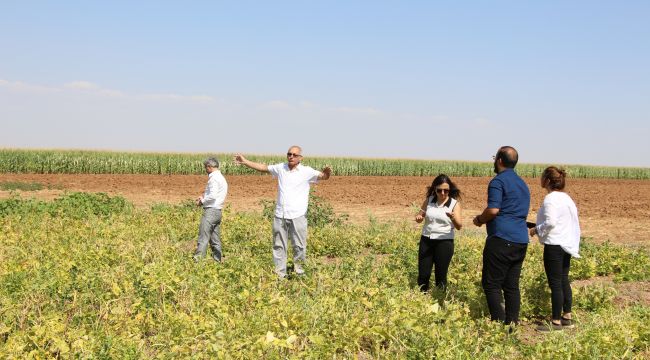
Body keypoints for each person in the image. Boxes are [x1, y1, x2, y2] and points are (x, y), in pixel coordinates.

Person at [233, 146, 331, 278]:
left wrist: (327, 173)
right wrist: (245, 161)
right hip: (280, 215)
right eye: (289, 154)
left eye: (294, 155)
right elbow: (263, 168)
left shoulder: (306, 171)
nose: (291, 156)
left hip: (298, 215)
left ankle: (300, 273)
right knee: (279, 246)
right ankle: (280, 275)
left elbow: (323, 176)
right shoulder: (281, 168)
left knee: (299, 246)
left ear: (300, 158)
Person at [473, 146, 530, 326]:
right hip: (521, 240)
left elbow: (493, 209)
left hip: (501, 238)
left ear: (499, 160)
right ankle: (512, 325)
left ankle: (498, 325)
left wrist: (480, 219)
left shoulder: (498, 181)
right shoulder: (523, 184)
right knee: (511, 285)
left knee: (491, 284)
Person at [530, 166, 581, 331]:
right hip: (566, 244)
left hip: (554, 245)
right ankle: (567, 316)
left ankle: (555, 322)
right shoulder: (567, 199)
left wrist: (536, 229)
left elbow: (551, 222)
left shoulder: (551, 198)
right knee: (564, 279)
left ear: (547, 180)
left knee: (555, 283)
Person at [414, 174, 463, 292]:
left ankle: (440, 299)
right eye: (439, 190)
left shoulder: (454, 204)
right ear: (434, 189)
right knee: (423, 274)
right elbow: (420, 214)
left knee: (440, 275)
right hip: (426, 240)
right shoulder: (429, 200)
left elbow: (459, 226)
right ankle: (421, 298)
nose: (442, 193)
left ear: (449, 190)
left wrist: (453, 218)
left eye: (446, 190)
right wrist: (419, 217)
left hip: (444, 242)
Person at [193, 157, 228, 262]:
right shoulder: (221, 177)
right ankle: (217, 260)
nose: (205, 169)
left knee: (203, 237)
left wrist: (202, 201)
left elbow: (212, 196)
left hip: (211, 211)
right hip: (218, 211)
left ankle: (197, 262)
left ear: (209, 167)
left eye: (205, 167)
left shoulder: (213, 178)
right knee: (215, 239)